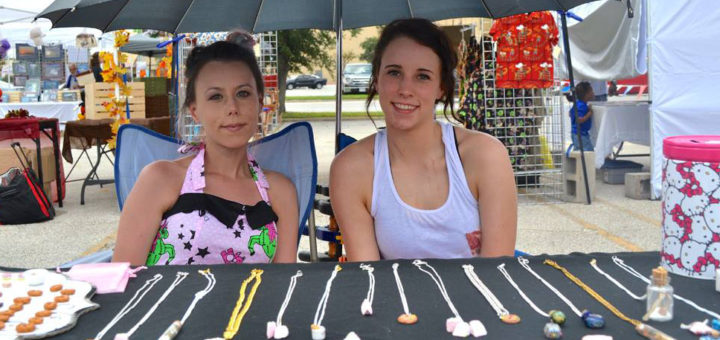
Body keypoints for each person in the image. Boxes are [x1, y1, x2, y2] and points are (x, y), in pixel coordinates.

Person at [329, 19, 517, 261]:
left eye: (423, 76)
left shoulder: (485, 156)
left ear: (442, 87)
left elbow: (497, 273)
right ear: (376, 79)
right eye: (394, 72)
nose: (405, 89)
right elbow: (369, 278)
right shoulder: (351, 169)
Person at [113, 41, 299, 266]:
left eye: (243, 93)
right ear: (195, 110)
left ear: (259, 102)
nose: (232, 108)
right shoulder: (161, 179)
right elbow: (123, 279)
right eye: (216, 97)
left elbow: (284, 284)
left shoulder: (279, 192)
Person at [568, 81, 595, 151]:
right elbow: (579, 120)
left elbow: (570, 113)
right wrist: (589, 114)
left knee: (578, 152)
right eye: (591, 91)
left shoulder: (577, 104)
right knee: (588, 152)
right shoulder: (582, 106)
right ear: (586, 95)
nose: (593, 93)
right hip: (581, 135)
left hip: (575, 133)